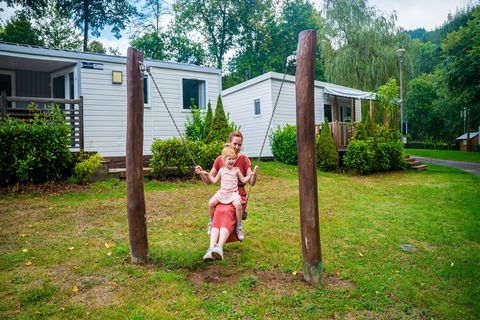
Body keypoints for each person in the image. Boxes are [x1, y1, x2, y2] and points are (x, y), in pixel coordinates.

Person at [196, 131, 259, 261]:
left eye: (239, 144)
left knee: (226, 212)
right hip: (223, 194)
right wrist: (202, 173)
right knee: (218, 211)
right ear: (229, 143)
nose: (237, 147)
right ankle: (212, 249)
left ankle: (219, 246)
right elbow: (210, 180)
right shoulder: (221, 159)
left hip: (237, 195)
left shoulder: (244, 159)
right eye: (235, 143)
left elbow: (251, 182)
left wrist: (254, 174)